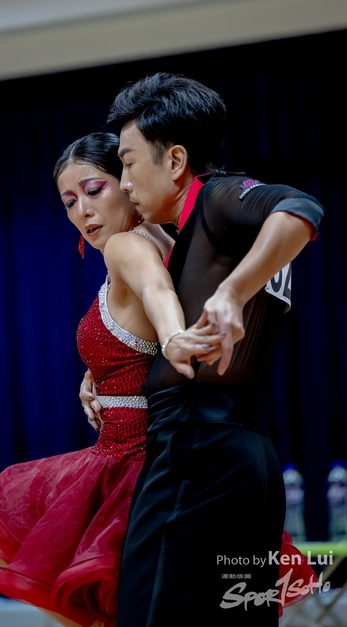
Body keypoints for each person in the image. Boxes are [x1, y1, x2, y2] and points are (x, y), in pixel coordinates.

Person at [0, 132, 218, 627]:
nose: (83, 211)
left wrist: (174, 337)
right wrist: (98, 371)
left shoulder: (126, 244)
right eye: (69, 202)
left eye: (94, 190)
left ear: (127, 181)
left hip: (130, 463)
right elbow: (141, 331)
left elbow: (156, 291)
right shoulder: (164, 242)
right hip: (147, 455)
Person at [100, 73, 325, 627]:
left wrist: (232, 293)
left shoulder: (219, 197)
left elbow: (301, 208)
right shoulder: (197, 235)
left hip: (194, 451)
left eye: (128, 163)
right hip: (248, 454)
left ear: (176, 161)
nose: (124, 183)